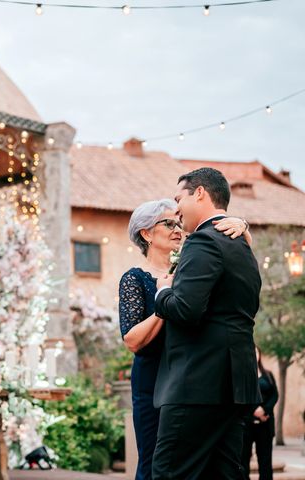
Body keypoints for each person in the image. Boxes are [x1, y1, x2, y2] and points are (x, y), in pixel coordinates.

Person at [118, 198, 250, 480]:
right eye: (168, 223)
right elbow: (132, 340)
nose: (178, 228)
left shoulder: (192, 268)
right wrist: (167, 299)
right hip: (154, 380)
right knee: (156, 463)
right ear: (147, 233)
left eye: (179, 222)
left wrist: (244, 227)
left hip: (195, 375)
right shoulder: (134, 278)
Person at [152, 167, 262, 480]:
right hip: (235, 386)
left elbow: (186, 309)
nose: (176, 209)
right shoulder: (243, 247)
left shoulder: (202, 242)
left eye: (179, 198)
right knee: (224, 474)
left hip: (198, 386)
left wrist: (163, 292)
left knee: (169, 473)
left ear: (199, 193)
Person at [242, 345, 278, 480]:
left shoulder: (268, 375)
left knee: (265, 461)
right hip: (248, 425)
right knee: (243, 460)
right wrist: (254, 411)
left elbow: (275, 395)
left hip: (265, 424)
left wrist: (264, 410)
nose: (254, 354)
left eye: (256, 351)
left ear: (260, 354)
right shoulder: (244, 375)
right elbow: (242, 397)